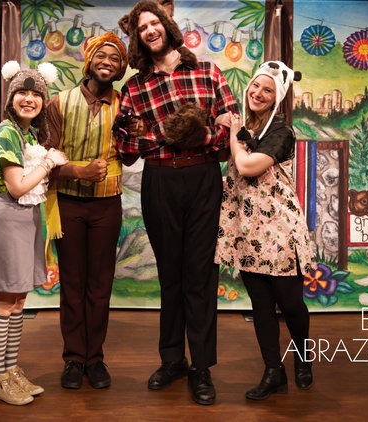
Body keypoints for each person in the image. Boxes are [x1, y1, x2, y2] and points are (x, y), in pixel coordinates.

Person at [116, 0, 239, 406]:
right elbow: (127, 146)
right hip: (160, 182)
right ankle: (172, 360)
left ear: (168, 27)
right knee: (170, 276)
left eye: (155, 23)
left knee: (200, 276)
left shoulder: (208, 72)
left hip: (203, 179)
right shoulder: (134, 88)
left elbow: (232, 131)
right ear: (137, 38)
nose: (150, 30)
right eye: (142, 28)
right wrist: (174, 133)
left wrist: (203, 137)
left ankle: (201, 367)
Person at [214, 61, 317, 400]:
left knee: (290, 303)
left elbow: (246, 166)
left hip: (279, 228)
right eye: (256, 86)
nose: (258, 93)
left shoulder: (281, 131)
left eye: (268, 90)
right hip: (248, 229)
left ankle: (303, 358)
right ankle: (274, 371)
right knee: (260, 305)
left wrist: (232, 130)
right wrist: (227, 125)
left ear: (277, 97)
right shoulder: (246, 127)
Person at [0, 60, 68, 406]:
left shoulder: (27, 133)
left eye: (36, 94)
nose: (29, 99)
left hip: (26, 218)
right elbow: (17, 187)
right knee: (3, 302)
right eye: (22, 93)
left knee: (18, 301)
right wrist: (50, 161)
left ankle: (11, 369)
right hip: (7, 216)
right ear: (10, 98)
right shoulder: (6, 133)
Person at [45, 33, 128, 390]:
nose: (107, 62)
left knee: (100, 283)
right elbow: (46, 158)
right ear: (89, 60)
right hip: (68, 202)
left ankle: (95, 359)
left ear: (121, 68)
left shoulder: (125, 105)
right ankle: (74, 358)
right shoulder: (59, 103)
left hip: (107, 204)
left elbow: (131, 153)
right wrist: (79, 171)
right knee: (73, 282)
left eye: (115, 58)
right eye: (101, 56)